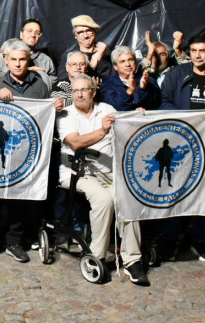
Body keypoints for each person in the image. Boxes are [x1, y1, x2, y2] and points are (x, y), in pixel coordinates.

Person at [0, 40, 62, 264]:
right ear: (6, 61)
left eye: (22, 59)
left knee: (20, 198)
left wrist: (54, 108)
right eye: (13, 59)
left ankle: (14, 242)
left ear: (28, 60)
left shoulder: (40, 84)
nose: (17, 64)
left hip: (25, 151)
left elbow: (45, 117)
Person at [56, 74, 149, 285]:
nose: (79, 94)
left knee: (127, 197)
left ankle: (133, 259)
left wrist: (137, 115)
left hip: (108, 172)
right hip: (76, 173)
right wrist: (103, 130)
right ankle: (96, 256)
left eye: (84, 90)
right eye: (75, 91)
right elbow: (76, 143)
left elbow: (127, 128)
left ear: (93, 91)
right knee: (103, 199)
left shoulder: (106, 109)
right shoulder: (65, 115)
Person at [159, 33, 205, 263]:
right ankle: (170, 242)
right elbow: (164, 103)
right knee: (174, 193)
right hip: (180, 145)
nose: (198, 55)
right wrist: (186, 118)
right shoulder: (176, 74)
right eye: (193, 51)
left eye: (202, 51)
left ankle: (200, 243)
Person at [0, 19, 57, 83]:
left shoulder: (46, 60)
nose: (33, 35)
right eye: (29, 31)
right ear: (21, 34)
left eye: (37, 33)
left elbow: (53, 85)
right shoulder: (4, 56)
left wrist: (42, 75)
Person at [99, 45, 161, 111]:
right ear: (115, 66)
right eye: (122, 61)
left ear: (136, 62)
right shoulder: (108, 85)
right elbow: (114, 107)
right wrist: (129, 92)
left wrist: (144, 88)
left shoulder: (149, 80)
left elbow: (156, 104)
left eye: (130, 60)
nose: (128, 64)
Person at [58, 15, 111, 81]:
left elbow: (111, 77)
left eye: (89, 31)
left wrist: (99, 55)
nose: (85, 36)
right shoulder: (69, 56)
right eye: (81, 32)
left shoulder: (106, 53)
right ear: (75, 36)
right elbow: (62, 78)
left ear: (95, 32)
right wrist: (91, 66)